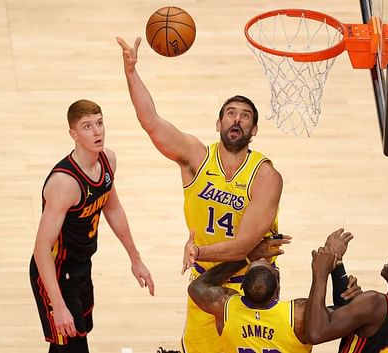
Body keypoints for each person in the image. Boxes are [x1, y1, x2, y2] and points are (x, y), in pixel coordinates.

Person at [117, 37, 283, 353]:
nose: (237, 119)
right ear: (219, 123)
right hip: (205, 286)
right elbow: (150, 122)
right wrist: (131, 71)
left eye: (245, 115)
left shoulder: (265, 175)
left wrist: (196, 252)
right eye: (231, 113)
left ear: (254, 130)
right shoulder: (196, 156)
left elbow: (244, 246)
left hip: (252, 285)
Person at [29, 99, 154, 353]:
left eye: (99, 123)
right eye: (87, 126)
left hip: (81, 267)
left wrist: (135, 259)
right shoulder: (64, 184)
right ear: (73, 134)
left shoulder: (108, 160)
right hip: (55, 273)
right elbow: (41, 249)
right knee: (73, 345)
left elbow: (113, 208)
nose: (97, 131)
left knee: (71, 341)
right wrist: (59, 305)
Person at [187, 229, 360, 353]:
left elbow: (197, 286)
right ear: (277, 287)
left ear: (240, 287)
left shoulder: (225, 308)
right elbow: (348, 315)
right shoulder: (298, 315)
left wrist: (247, 257)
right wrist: (335, 264)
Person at [305, 230, 388, 353]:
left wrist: (320, 274)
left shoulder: (375, 303)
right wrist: (337, 261)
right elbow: (359, 322)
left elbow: (316, 333)